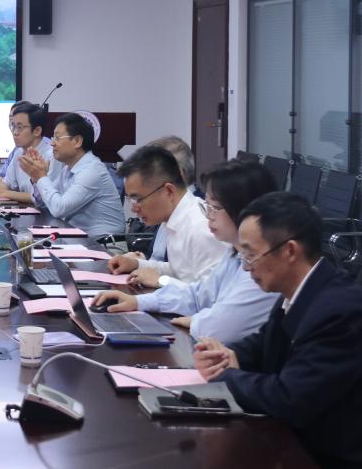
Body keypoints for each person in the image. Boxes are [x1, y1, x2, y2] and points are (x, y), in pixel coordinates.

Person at [193, 192, 362, 467]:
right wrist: (224, 354)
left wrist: (225, 375)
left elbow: (290, 399)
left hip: (322, 456)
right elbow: (265, 343)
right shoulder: (302, 288)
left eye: (250, 255)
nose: (245, 267)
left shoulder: (339, 310)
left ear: (289, 251)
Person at [93, 159, 279, 343]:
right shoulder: (235, 253)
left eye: (214, 208)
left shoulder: (261, 266)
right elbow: (197, 295)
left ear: (246, 210)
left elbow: (219, 329)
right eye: (207, 206)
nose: (208, 216)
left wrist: (197, 320)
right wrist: (138, 302)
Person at [106, 145, 225, 287]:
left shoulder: (201, 228)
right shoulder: (177, 217)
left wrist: (161, 281)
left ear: (169, 191)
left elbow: (211, 293)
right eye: (130, 199)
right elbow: (181, 271)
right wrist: (136, 264)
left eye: (138, 199)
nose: (133, 208)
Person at [18, 112, 125, 238]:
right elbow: (43, 203)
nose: (52, 143)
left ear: (77, 141)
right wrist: (36, 178)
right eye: (53, 138)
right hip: (82, 240)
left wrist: (41, 176)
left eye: (57, 138)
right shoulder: (68, 169)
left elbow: (59, 209)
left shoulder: (92, 170)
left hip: (105, 244)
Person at [0, 101, 60, 204]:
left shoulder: (52, 156)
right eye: (13, 126)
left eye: (20, 127)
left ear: (37, 131)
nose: (15, 132)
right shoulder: (19, 153)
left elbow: (43, 197)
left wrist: (4, 193)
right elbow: (7, 183)